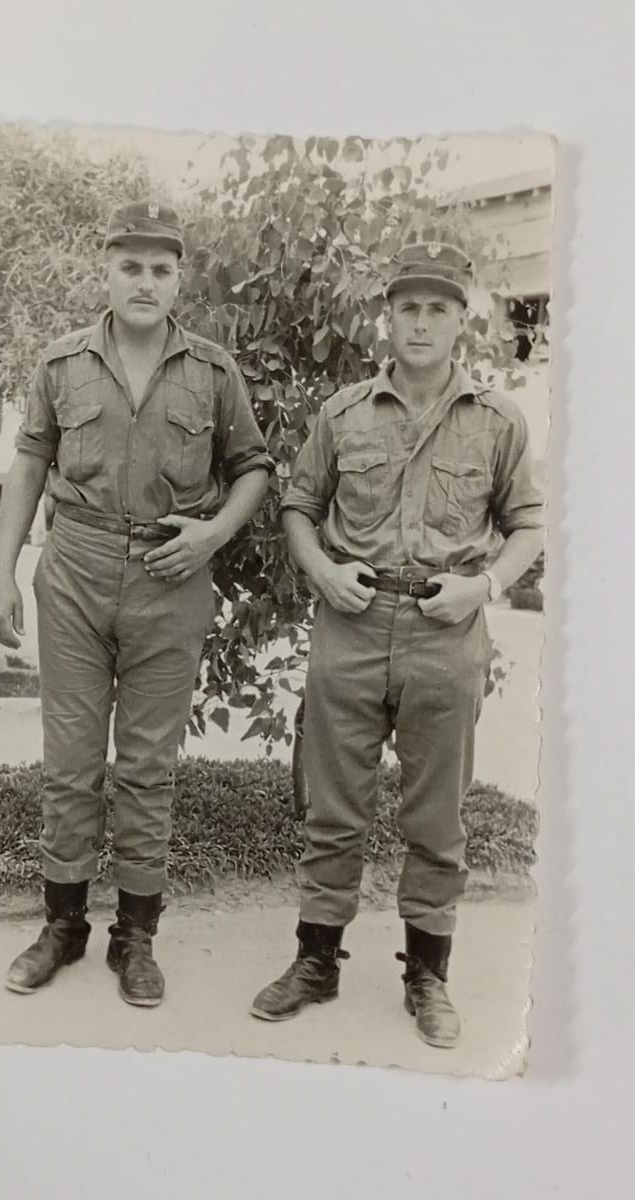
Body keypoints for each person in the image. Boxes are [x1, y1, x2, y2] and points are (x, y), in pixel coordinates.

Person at [250, 243, 545, 1048]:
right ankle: (317, 961)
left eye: (437, 309)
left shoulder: (498, 421)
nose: (421, 323)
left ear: (460, 321)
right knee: (332, 808)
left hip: (446, 631)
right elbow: (299, 506)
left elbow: (527, 524)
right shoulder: (344, 413)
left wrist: (485, 587)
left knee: (437, 816)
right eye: (407, 308)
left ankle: (427, 977)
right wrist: (321, 572)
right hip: (350, 624)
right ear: (388, 317)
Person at [0, 201, 273, 1007]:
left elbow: (253, 466)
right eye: (131, 267)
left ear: (180, 279)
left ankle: (136, 936)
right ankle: (62, 926)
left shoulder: (213, 370)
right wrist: (0, 573)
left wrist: (214, 534)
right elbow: (29, 462)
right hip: (74, 568)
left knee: (148, 767)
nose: (146, 282)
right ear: (106, 272)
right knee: (70, 761)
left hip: (171, 573)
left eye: (161, 269)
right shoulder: (61, 364)